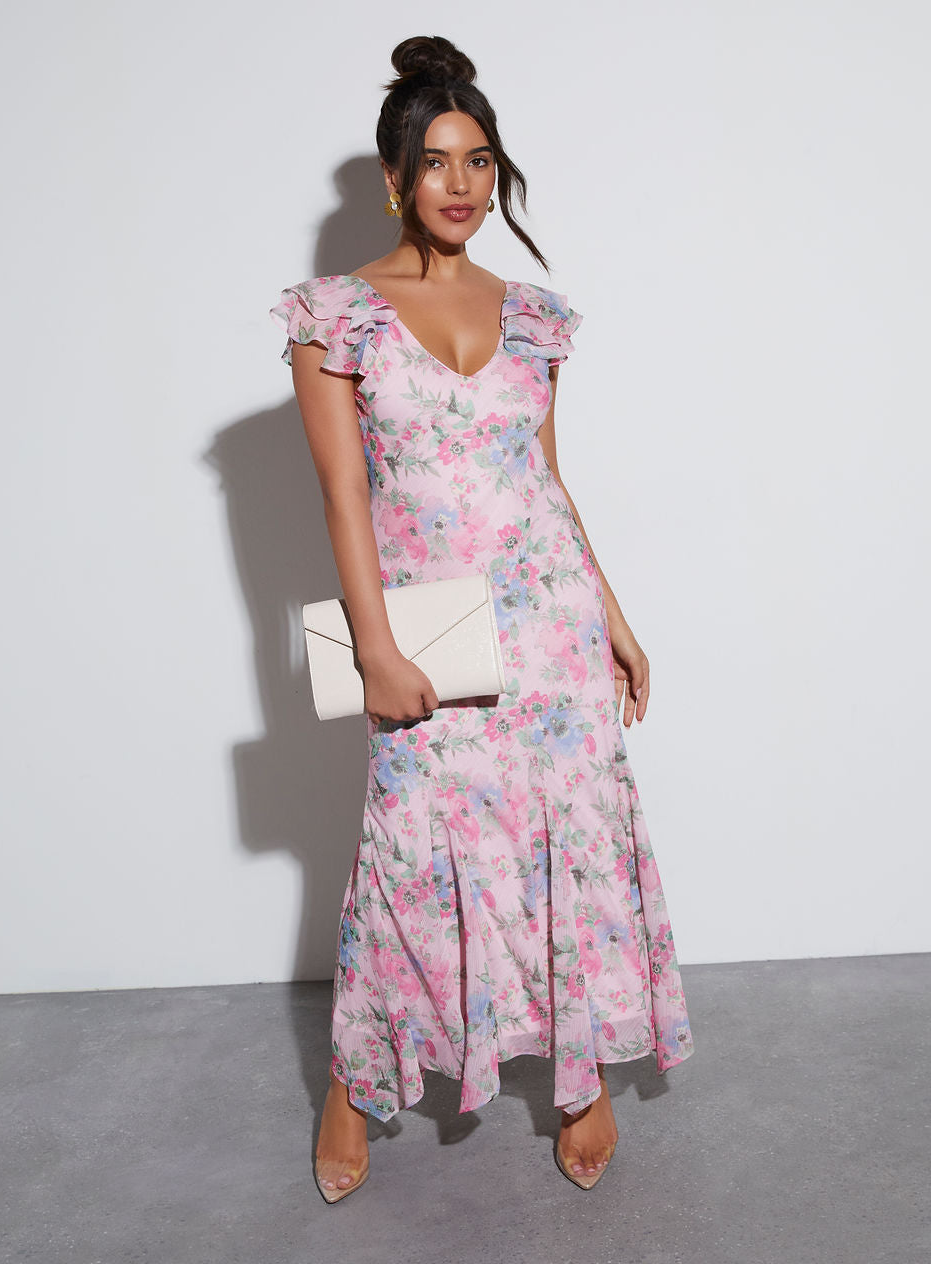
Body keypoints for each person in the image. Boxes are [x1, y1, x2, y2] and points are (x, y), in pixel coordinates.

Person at [270, 34, 694, 1204]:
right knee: (411, 856)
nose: (459, 183)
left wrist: (611, 612)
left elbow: (545, 479)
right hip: (432, 634)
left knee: (570, 843)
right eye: (435, 161)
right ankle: (355, 1079)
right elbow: (342, 494)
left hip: (552, 627)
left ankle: (577, 1075)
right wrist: (374, 647)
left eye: (478, 160)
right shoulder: (335, 317)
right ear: (394, 177)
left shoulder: (534, 315)